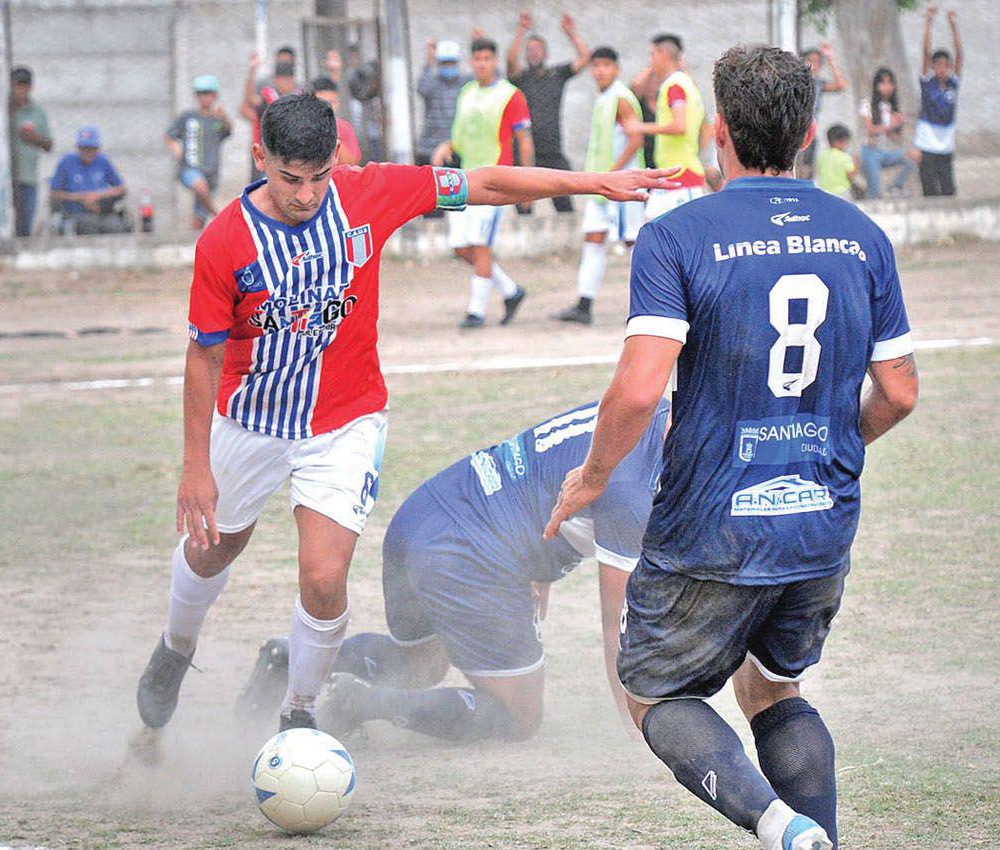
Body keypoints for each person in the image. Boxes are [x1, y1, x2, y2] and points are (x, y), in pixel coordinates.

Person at [132, 91, 677, 735]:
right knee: (213, 551)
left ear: (336, 159)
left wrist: (592, 182)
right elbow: (203, 358)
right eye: (288, 179)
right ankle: (176, 645)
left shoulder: (370, 193)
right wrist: (196, 465)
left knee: (325, 576)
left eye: (317, 177)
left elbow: (485, 182)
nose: (305, 195)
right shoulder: (226, 241)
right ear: (260, 159)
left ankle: (299, 716)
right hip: (250, 421)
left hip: (345, 423)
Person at [545, 43, 918, 850]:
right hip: (821, 520)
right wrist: (825, 447)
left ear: (720, 132)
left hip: (711, 521)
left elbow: (641, 390)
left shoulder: (679, 236)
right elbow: (900, 391)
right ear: (809, 132)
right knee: (774, 686)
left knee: (652, 692)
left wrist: (592, 476)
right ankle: (819, 836)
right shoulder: (862, 236)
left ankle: (780, 826)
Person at [235, 398, 669, 743]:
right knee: (519, 716)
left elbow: (542, 473)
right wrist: (637, 729)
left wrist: (538, 565)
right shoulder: (636, 486)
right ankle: (362, 702)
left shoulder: (636, 411)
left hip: (423, 517)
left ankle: (292, 657)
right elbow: (619, 622)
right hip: (469, 553)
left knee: (418, 664)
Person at [432, 37, 533, 329]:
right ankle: (511, 291)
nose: (481, 64)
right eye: (477, 59)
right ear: (471, 61)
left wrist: (525, 183)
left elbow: (524, 140)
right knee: (461, 248)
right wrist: (446, 145)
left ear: (495, 61)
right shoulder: (467, 92)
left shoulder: (510, 95)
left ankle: (476, 312)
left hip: (495, 183)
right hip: (465, 178)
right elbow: (461, 134)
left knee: (480, 244)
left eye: (487, 58)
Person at [553, 46, 647, 326]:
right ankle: (584, 304)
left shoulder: (620, 98)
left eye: (606, 65)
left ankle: (648, 303)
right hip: (601, 187)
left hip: (619, 186)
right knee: (592, 241)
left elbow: (636, 139)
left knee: (632, 243)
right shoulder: (604, 97)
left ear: (616, 68)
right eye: (596, 66)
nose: (600, 70)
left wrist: (614, 173)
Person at [508, 10, 591, 214]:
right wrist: (521, 30)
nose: (534, 52)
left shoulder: (556, 75)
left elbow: (585, 58)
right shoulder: (521, 78)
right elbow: (510, 63)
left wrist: (570, 32)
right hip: (526, 153)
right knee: (523, 209)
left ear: (545, 52)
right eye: (530, 49)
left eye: (537, 49)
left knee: (565, 207)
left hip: (553, 151)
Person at [623, 34, 708, 221]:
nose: (650, 61)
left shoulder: (674, 85)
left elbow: (679, 126)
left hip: (682, 176)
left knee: (680, 239)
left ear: (662, 55)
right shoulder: (686, 83)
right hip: (670, 175)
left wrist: (640, 127)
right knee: (652, 229)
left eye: (652, 55)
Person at [166, 74, 232, 229]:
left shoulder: (217, 119)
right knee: (200, 187)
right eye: (201, 94)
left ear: (214, 95)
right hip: (190, 168)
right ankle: (219, 217)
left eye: (208, 93)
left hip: (211, 172)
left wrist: (224, 117)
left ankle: (195, 244)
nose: (205, 98)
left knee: (199, 218)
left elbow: (229, 131)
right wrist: (176, 147)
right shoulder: (188, 117)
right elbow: (168, 135)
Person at [915, 5, 962, 197]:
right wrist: (928, 23)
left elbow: (960, 55)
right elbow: (926, 53)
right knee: (930, 187)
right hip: (927, 141)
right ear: (933, 67)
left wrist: (953, 25)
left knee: (948, 187)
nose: (941, 69)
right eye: (938, 65)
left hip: (946, 141)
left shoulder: (952, 83)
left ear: (949, 67)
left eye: (945, 65)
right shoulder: (928, 83)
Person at [48, 126, 128, 235]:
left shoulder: (103, 161)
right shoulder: (66, 162)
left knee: (115, 226)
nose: (89, 152)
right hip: (75, 212)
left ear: (98, 148)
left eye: (92, 148)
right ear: (78, 148)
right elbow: (54, 194)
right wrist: (82, 197)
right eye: (85, 148)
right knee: (89, 224)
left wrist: (97, 196)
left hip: (102, 210)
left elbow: (121, 189)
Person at [9, 65, 53, 238]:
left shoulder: (37, 113)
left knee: (25, 224)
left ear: (30, 87)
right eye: (17, 85)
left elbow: (48, 145)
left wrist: (35, 137)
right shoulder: (3, 109)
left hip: (27, 176)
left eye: (24, 85)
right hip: (4, 177)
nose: (20, 89)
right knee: (0, 222)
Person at [242, 54, 299, 182]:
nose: (286, 83)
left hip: (290, 153)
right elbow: (250, 100)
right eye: (283, 79)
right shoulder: (268, 96)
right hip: (266, 152)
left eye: (289, 79)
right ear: (275, 80)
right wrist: (252, 72)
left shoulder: (298, 98)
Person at [858, 67, 913, 199]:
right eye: (883, 83)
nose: (887, 87)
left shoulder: (892, 107)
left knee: (912, 158)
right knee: (874, 191)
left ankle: (895, 186)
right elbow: (870, 130)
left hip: (886, 151)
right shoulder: (867, 104)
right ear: (876, 85)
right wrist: (891, 124)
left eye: (890, 83)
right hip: (871, 152)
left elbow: (894, 138)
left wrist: (900, 123)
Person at [796, 44, 846, 180]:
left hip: (809, 132)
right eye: (811, 60)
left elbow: (841, 85)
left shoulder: (818, 83)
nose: (815, 65)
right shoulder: (796, 81)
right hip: (795, 131)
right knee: (795, 167)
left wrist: (830, 59)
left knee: (807, 168)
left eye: (818, 62)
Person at [416, 40, 470, 167]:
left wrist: (477, 43)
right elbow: (421, 88)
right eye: (445, 63)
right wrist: (429, 60)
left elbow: (490, 77)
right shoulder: (432, 83)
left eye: (451, 62)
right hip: (429, 148)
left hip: (457, 149)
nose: (448, 66)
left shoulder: (466, 83)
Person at [308, 77, 361, 166]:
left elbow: (353, 162)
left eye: (332, 102)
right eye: (322, 103)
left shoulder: (343, 127)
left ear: (338, 102)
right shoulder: (301, 126)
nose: (327, 107)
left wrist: (334, 135)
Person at [814, 124, 857, 200]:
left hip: (824, 193)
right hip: (842, 193)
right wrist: (857, 164)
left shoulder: (822, 156)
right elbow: (851, 176)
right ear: (840, 141)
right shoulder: (845, 157)